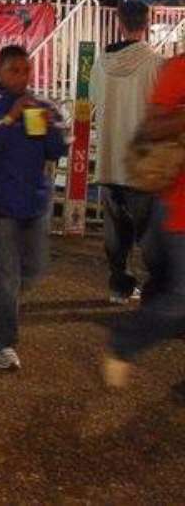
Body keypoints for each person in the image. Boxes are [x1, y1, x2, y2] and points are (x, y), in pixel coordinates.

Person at [0, 45, 67, 371]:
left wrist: (49, 126)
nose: (21, 77)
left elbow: (57, 150)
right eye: (14, 70)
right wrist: (9, 118)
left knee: (33, 271)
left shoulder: (43, 105)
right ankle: (4, 343)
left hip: (35, 202)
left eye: (26, 70)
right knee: (8, 277)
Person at [103, 51, 185, 389]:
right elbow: (152, 126)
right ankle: (124, 343)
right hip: (181, 206)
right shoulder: (179, 68)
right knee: (181, 297)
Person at [89, 0, 162, 303]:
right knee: (151, 233)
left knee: (116, 231)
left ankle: (119, 286)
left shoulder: (100, 64)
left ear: (119, 22)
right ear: (148, 21)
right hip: (143, 162)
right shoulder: (155, 64)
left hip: (109, 158)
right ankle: (156, 294)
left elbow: (92, 103)